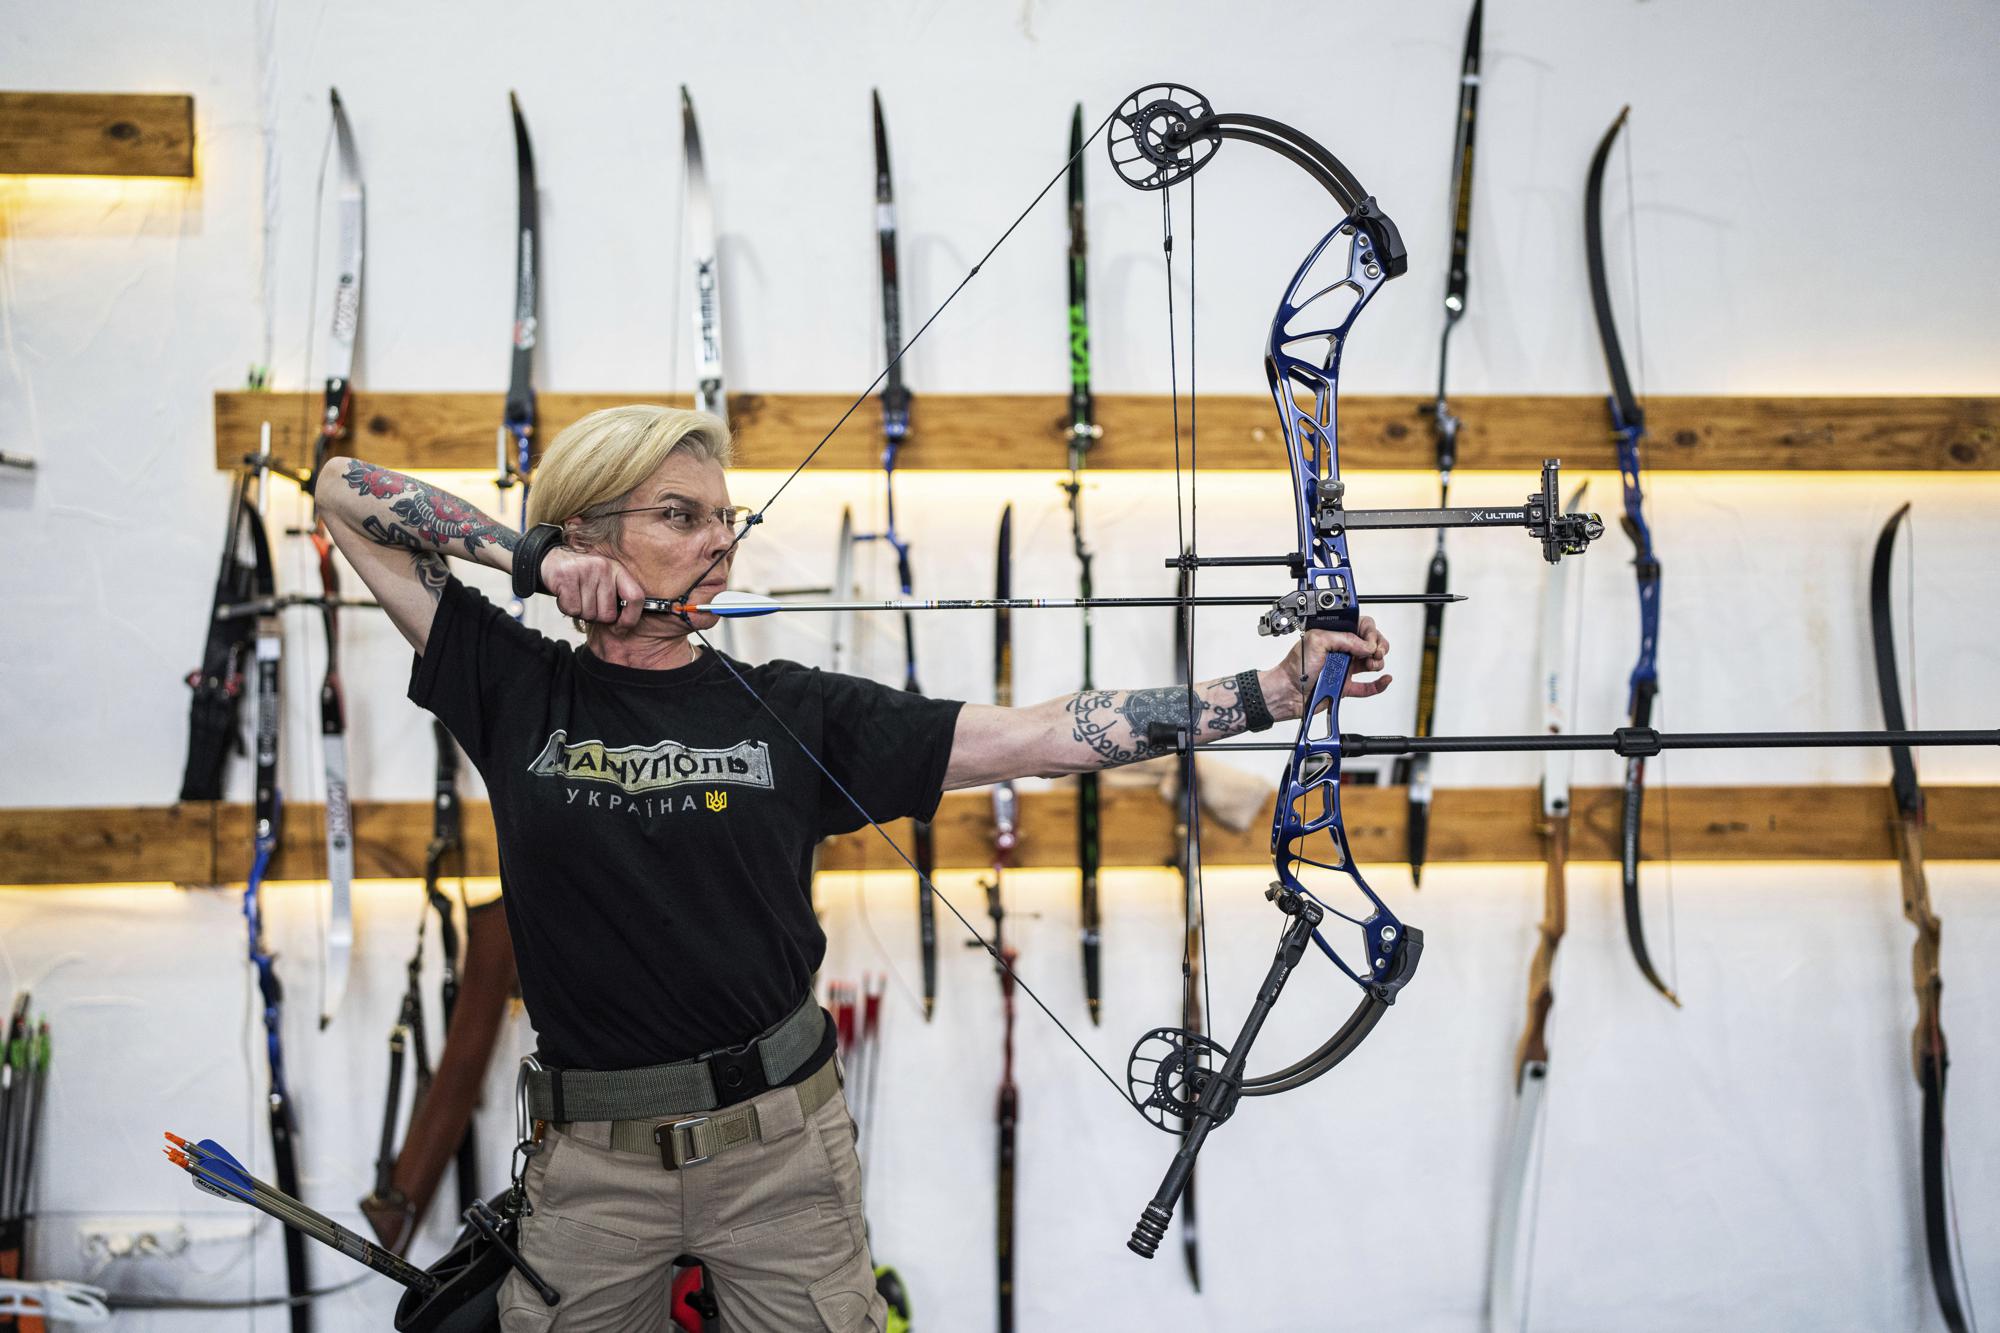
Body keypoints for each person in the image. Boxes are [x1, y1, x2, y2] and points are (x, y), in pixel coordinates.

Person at [316, 403, 1391, 1332]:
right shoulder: (515, 686)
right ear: (589, 533)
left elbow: (1035, 734)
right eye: (680, 516)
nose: (719, 541)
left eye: (725, 518)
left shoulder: (793, 709)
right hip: (592, 1160)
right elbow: (343, 491)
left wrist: (1266, 693)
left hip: (779, 1151)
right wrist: (531, 559)